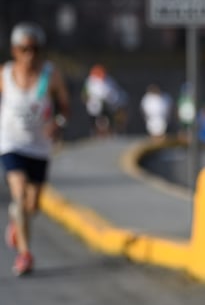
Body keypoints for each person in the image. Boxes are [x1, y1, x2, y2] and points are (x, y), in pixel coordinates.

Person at [1, 22, 71, 276]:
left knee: (33, 206)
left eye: (35, 50)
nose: (30, 55)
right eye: (24, 49)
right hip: (11, 144)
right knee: (19, 196)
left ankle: (16, 224)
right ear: (14, 50)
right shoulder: (5, 74)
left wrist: (57, 124)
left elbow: (65, 107)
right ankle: (25, 255)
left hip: (40, 147)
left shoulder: (49, 75)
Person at [81, 64, 122, 137]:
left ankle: (110, 131)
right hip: (94, 105)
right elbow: (85, 94)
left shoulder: (109, 80)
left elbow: (113, 93)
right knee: (94, 118)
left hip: (107, 104)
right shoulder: (90, 81)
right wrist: (87, 99)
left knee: (109, 117)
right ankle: (95, 132)